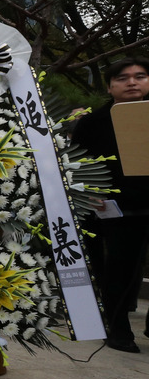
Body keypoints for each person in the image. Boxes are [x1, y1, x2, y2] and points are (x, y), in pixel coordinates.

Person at [72, 58, 149, 352]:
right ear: (110, 86)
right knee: (120, 270)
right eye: (123, 78)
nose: (132, 82)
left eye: (140, 76)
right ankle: (118, 329)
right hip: (117, 208)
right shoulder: (93, 122)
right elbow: (77, 162)